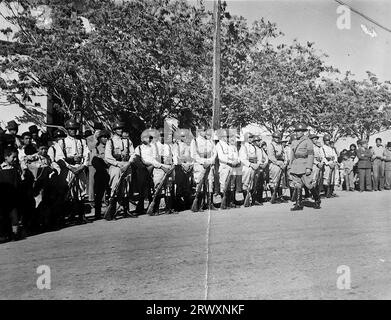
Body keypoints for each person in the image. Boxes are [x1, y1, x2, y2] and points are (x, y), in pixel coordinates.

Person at [57, 119, 90, 223]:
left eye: (75, 129)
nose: (73, 131)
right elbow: (59, 158)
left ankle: (81, 215)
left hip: (80, 169)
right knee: (69, 192)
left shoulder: (82, 141)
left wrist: (83, 166)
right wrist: (71, 166)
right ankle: (70, 215)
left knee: (81, 191)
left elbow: (87, 155)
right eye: (71, 129)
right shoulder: (62, 142)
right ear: (67, 130)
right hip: (69, 169)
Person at [134, 129, 171, 216]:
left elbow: (153, 159)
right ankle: (141, 209)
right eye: (145, 138)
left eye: (149, 138)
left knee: (154, 188)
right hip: (143, 169)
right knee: (143, 190)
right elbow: (137, 159)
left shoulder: (153, 147)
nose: (148, 140)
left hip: (153, 167)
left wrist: (154, 165)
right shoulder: (139, 148)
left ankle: (155, 208)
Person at [105, 120, 136, 217]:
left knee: (126, 188)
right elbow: (108, 156)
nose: (120, 130)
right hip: (116, 166)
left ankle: (126, 211)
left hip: (126, 165)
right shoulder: (110, 141)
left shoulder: (127, 140)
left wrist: (129, 163)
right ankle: (112, 211)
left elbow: (133, 154)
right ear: (114, 130)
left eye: (121, 128)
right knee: (115, 188)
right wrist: (118, 164)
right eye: (118, 129)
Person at [289, 123, 321, 211]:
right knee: (297, 184)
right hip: (295, 165)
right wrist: (290, 166)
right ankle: (298, 204)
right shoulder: (294, 141)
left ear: (303, 132)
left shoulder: (308, 141)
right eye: (296, 131)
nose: (297, 133)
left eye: (300, 131)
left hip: (304, 164)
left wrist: (309, 167)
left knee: (309, 184)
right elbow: (292, 155)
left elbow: (311, 155)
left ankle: (317, 199)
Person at [190, 125, 217, 211]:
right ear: (198, 131)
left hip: (209, 164)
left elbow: (214, 152)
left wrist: (209, 161)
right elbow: (193, 154)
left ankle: (209, 204)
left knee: (210, 183)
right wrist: (203, 162)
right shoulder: (195, 141)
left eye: (205, 130)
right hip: (200, 165)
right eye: (202, 130)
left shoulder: (210, 141)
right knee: (200, 184)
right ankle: (199, 205)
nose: (204, 132)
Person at [0, 147, 23, 241]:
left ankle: (14, 234)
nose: (15, 159)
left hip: (13, 198)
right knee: (3, 217)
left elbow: (18, 183)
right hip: (2, 198)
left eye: (16, 157)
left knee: (14, 217)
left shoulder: (15, 169)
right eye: (13, 157)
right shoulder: (0, 169)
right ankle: (4, 234)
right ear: (6, 157)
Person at [91, 130, 111, 220]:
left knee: (110, 193)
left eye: (107, 137)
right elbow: (94, 161)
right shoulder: (96, 149)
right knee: (99, 194)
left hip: (110, 171)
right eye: (103, 137)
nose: (105, 139)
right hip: (101, 173)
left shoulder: (110, 147)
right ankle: (97, 214)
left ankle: (110, 211)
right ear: (99, 138)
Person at [267, 131, 288, 203]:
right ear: (273, 138)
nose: (277, 139)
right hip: (274, 164)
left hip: (281, 163)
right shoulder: (271, 145)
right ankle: (274, 197)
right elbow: (271, 156)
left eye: (278, 137)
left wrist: (285, 162)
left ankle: (280, 196)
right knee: (274, 181)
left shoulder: (281, 145)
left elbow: (284, 154)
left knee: (281, 181)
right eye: (275, 137)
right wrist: (278, 163)